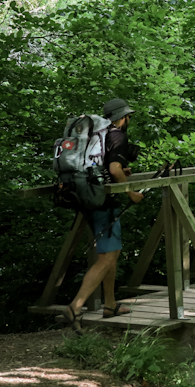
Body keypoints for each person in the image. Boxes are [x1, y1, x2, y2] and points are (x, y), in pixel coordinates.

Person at [63, 98, 144, 333]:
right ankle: (75, 306)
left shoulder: (95, 135)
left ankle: (110, 304)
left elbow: (104, 167)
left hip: (87, 196)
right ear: (124, 117)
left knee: (112, 252)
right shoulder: (117, 135)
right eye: (129, 117)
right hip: (104, 203)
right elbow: (114, 169)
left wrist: (118, 173)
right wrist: (131, 193)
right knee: (107, 257)